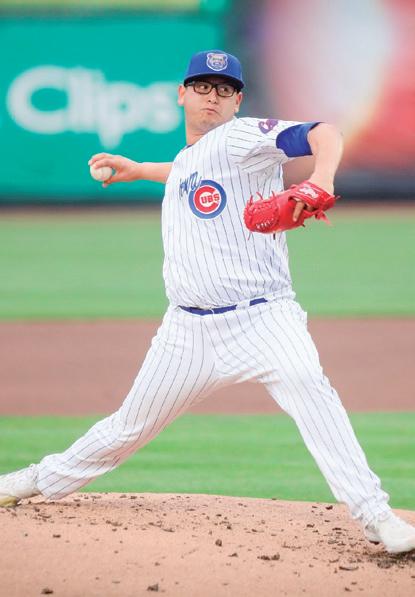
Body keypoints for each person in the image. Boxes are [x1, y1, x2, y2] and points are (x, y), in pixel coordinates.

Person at [1, 50, 414, 555]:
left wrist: (321, 178)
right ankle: (38, 478)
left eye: (224, 89)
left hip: (264, 319)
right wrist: (140, 169)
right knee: (128, 427)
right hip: (187, 334)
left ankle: (375, 515)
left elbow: (323, 132)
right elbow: (188, 168)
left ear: (238, 101)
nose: (211, 97)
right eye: (202, 86)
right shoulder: (194, 156)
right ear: (182, 94)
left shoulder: (241, 137)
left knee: (310, 387)